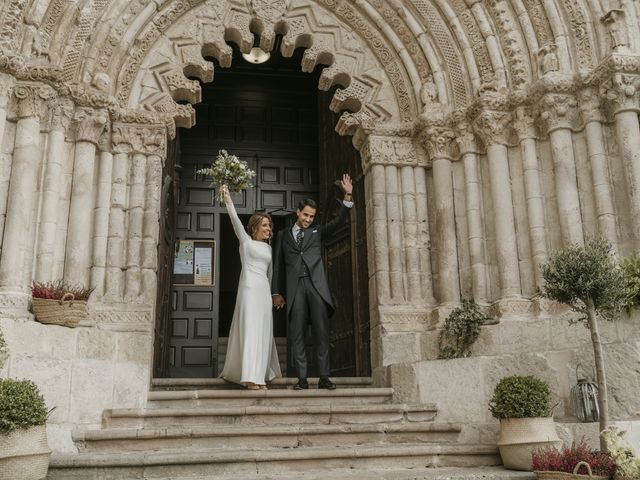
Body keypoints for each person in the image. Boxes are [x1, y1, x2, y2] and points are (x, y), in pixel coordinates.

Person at [271, 174, 353, 390]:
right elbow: (278, 265)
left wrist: (348, 195)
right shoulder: (283, 234)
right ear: (298, 212)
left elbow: (339, 221)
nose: (308, 219)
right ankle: (302, 379)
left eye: (312, 216)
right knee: (296, 334)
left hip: (316, 287)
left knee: (321, 332)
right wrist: (276, 292)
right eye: (306, 215)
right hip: (295, 288)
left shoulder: (317, 232)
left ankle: (324, 377)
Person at [219, 185, 281, 390]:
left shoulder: (269, 248)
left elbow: (270, 274)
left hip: (263, 291)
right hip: (248, 290)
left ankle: (259, 376)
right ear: (254, 227)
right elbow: (235, 222)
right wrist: (228, 199)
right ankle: (249, 377)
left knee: (263, 331)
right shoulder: (245, 242)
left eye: (269, 226)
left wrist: (273, 294)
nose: (268, 229)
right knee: (250, 330)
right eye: (264, 225)